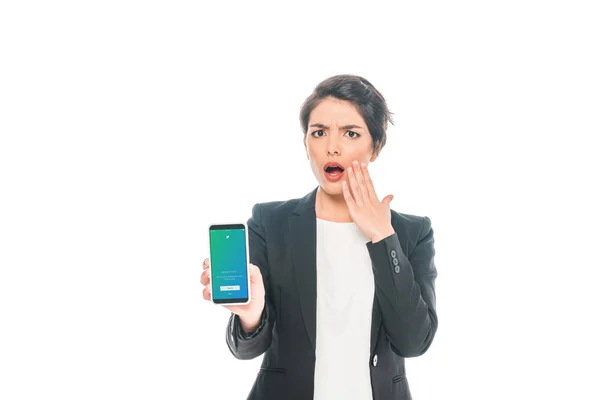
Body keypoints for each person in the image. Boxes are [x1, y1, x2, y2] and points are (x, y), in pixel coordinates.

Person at [200, 74, 438, 400]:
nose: (332, 147)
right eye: (319, 132)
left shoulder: (412, 233)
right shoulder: (270, 223)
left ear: (376, 147)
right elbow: (246, 350)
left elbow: (414, 342)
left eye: (351, 133)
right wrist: (251, 314)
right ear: (305, 143)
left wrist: (383, 236)